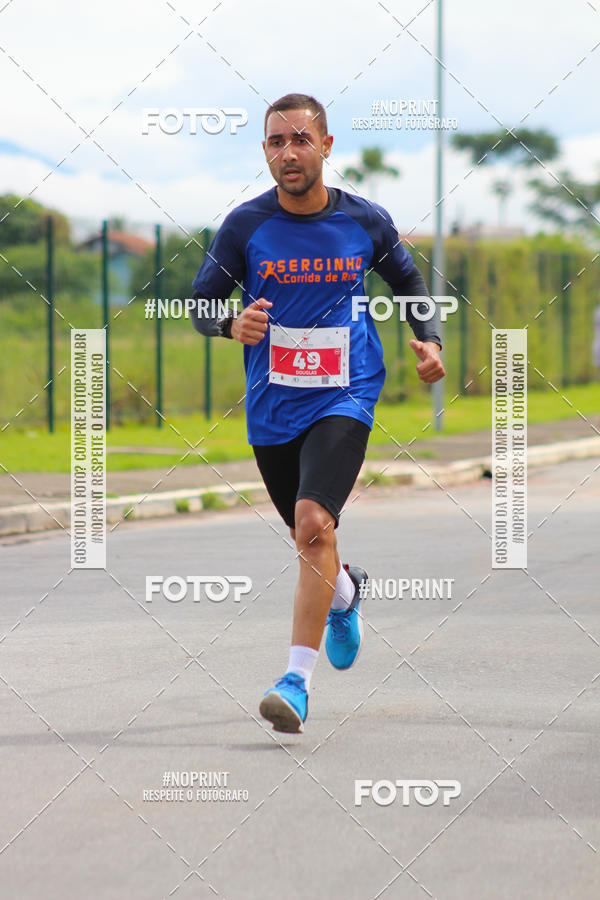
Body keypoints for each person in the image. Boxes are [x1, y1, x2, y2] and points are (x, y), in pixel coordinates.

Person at [191, 93, 445, 733]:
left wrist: (430, 338)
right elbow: (199, 305)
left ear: (326, 147)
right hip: (275, 407)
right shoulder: (245, 227)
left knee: (313, 525)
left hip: (347, 390)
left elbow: (409, 283)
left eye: (300, 140)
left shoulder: (365, 221)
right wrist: (230, 323)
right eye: (276, 142)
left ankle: (294, 684)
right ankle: (348, 592)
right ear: (266, 153)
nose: (288, 153)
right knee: (313, 543)